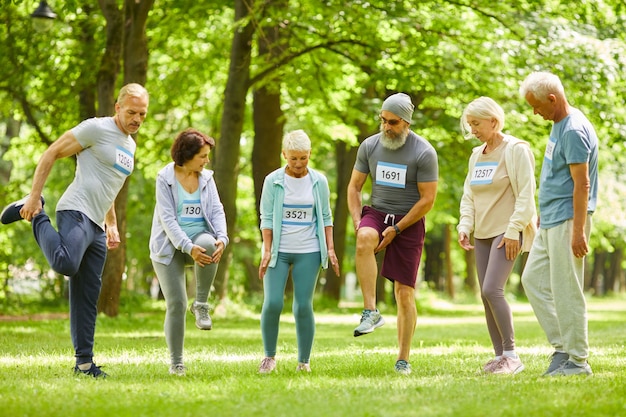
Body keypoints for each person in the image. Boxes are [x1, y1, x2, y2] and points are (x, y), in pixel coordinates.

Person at [0, 83, 149, 378]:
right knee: (65, 262)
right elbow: (52, 152)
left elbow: (110, 185)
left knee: (87, 295)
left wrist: (112, 224)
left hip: (97, 224)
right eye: (132, 112)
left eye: (142, 114)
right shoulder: (96, 128)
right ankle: (36, 212)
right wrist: (33, 197)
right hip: (76, 210)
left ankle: (84, 364)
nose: (137, 119)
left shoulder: (130, 145)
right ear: (117, 107)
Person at [347, 93, 438, 375]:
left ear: (407, 122)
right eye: (383, 120)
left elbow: (427, 200)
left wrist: (397, 228)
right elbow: (354, 188)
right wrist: (357, 221)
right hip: (377, 211)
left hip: (408, 220)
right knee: (364, 238)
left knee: (405, 294)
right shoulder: (370, 146)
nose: (386, 127)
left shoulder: (423, 152)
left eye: (393, 122)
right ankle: (370, 311)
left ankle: (403, 358)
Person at [519, 71, 598, 376]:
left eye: (537, 106)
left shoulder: (574, 130)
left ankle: (578, 361)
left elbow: (582, 185)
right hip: (549, 218)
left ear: (552, 99)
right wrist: (542, 210)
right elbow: (557, 175)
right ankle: (562, 347)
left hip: (568, 220)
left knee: (567, 290)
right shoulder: (558, 124)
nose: (535, 113)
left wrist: (578, 231)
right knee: (533, 281)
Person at [457, 96, 537, 375]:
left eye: (476, 123)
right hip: (483, 233)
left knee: (493, 289)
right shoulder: (476, 155)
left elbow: (526, 194)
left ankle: (512, 356)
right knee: (485, 294)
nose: (473, 130)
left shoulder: (516, 150)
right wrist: (464, 226)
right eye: (470, 125)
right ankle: (499, 357)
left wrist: (515, 229)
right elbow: (469, 194)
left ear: (493, 120)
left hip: (507, 231)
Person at [258, 130, 340, 374]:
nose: (298, 164)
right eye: (293, 158)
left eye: (303, 158)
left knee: (303, 306)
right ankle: (269, 357)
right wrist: (267, 250)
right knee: (273, 303)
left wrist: (331, 249)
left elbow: (325, 216)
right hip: (279, 251)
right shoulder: (272, 181)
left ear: (310, 155)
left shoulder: (319, 181)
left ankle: (304, 361)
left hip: (309, 250)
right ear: (284, 154)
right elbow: (267, 218)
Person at [149, 128, 228, 376]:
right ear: (187, 155)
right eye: (202, 156)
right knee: (176, 303)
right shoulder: (165, 178)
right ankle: (177, 363)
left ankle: (202, 304)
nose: (206, 161)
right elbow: (168, 220)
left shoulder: (206, 178)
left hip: (198, 239)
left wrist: (223, 238)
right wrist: (187, 247)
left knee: (209, 243)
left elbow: (217, 210)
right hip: (169, 246)